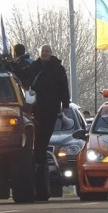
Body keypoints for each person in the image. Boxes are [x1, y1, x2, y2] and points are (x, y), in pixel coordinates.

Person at [19, 44, 70, 196]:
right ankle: (37, 159)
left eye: (47, 51)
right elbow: (23, 78)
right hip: (34, 108)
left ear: (51, 53)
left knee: (43, 137)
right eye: (43, 51)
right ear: (39, 53)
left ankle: (39, 159)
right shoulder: (34, 67)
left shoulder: (58, 68)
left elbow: (63, 87)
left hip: (51, 108)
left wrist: (65, 105)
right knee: (36, 138)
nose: (45, 53)